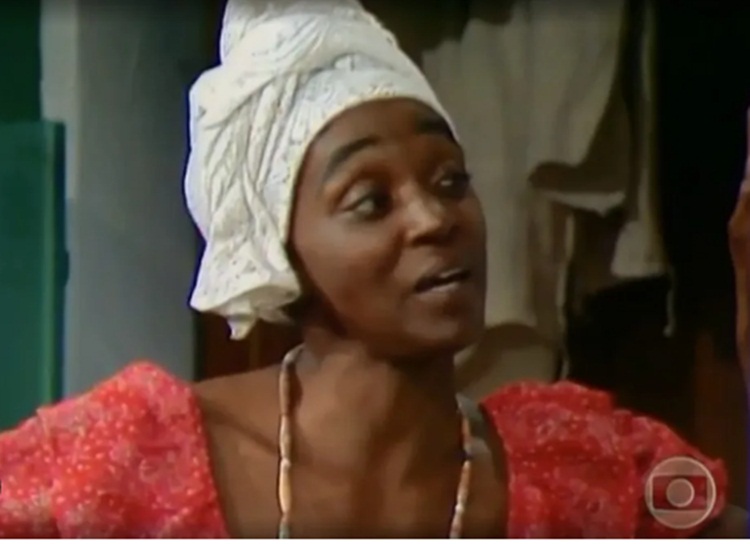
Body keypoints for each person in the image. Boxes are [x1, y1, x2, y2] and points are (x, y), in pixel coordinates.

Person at [0, 0, 746, 538]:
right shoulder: (131, 462)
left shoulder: (582, 470)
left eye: (450, 180)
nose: (434, 218)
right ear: (279, 247)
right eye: (370, 200)